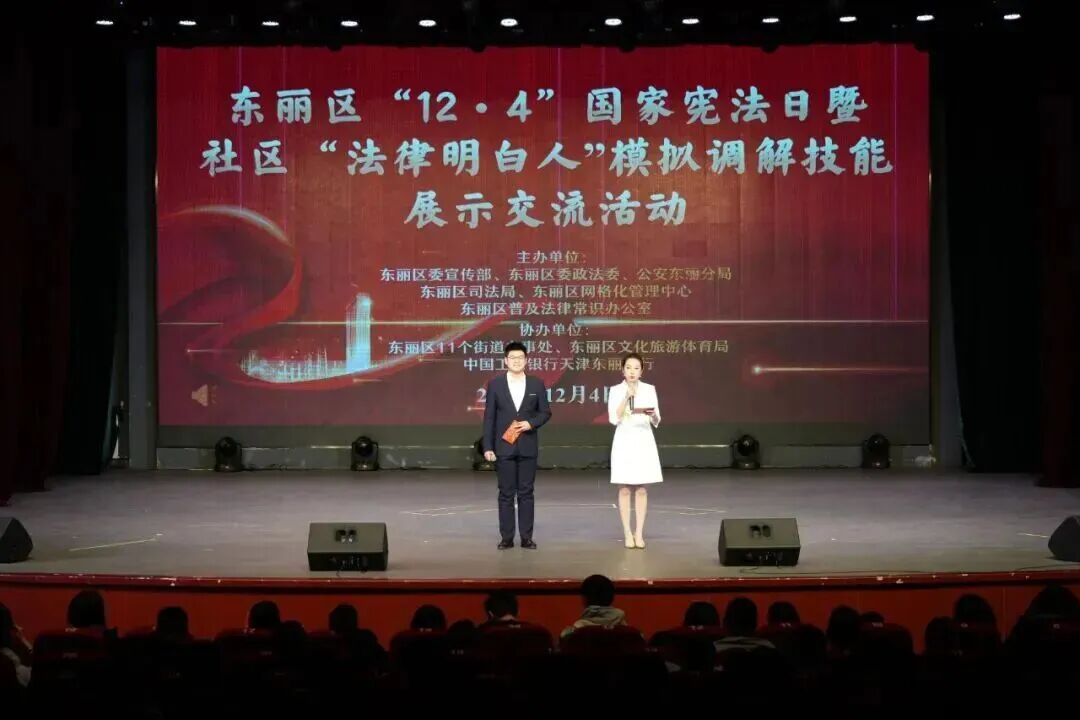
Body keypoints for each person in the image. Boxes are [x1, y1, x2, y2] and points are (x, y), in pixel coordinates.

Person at [482, 341, 552, 550]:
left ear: (526, 360)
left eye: (520, 358)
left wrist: (531, 423)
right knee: (505, 493)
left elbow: (545, 412)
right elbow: (489, 418)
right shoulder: (495, 384)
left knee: (526, 493)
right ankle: (506, 537)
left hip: (528, 446)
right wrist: (488, 447)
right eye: (512, 358)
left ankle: (526, 537)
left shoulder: (536, 384)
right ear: (506, 360)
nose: (516, 361)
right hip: (504, 446)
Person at [607, 352, 662, 548]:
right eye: (628, 368)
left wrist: (653, 414)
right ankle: (627, 532)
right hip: (624, 440)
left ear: (642, 371)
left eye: (636, 368)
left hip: (643, 440)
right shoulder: (615, 390)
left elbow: (657, 420)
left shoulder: (649, 389)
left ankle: (639, 533)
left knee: (641, 489)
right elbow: (614, 418)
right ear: (623, 370)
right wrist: (626, 397)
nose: (632, 371)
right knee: (623, 489)